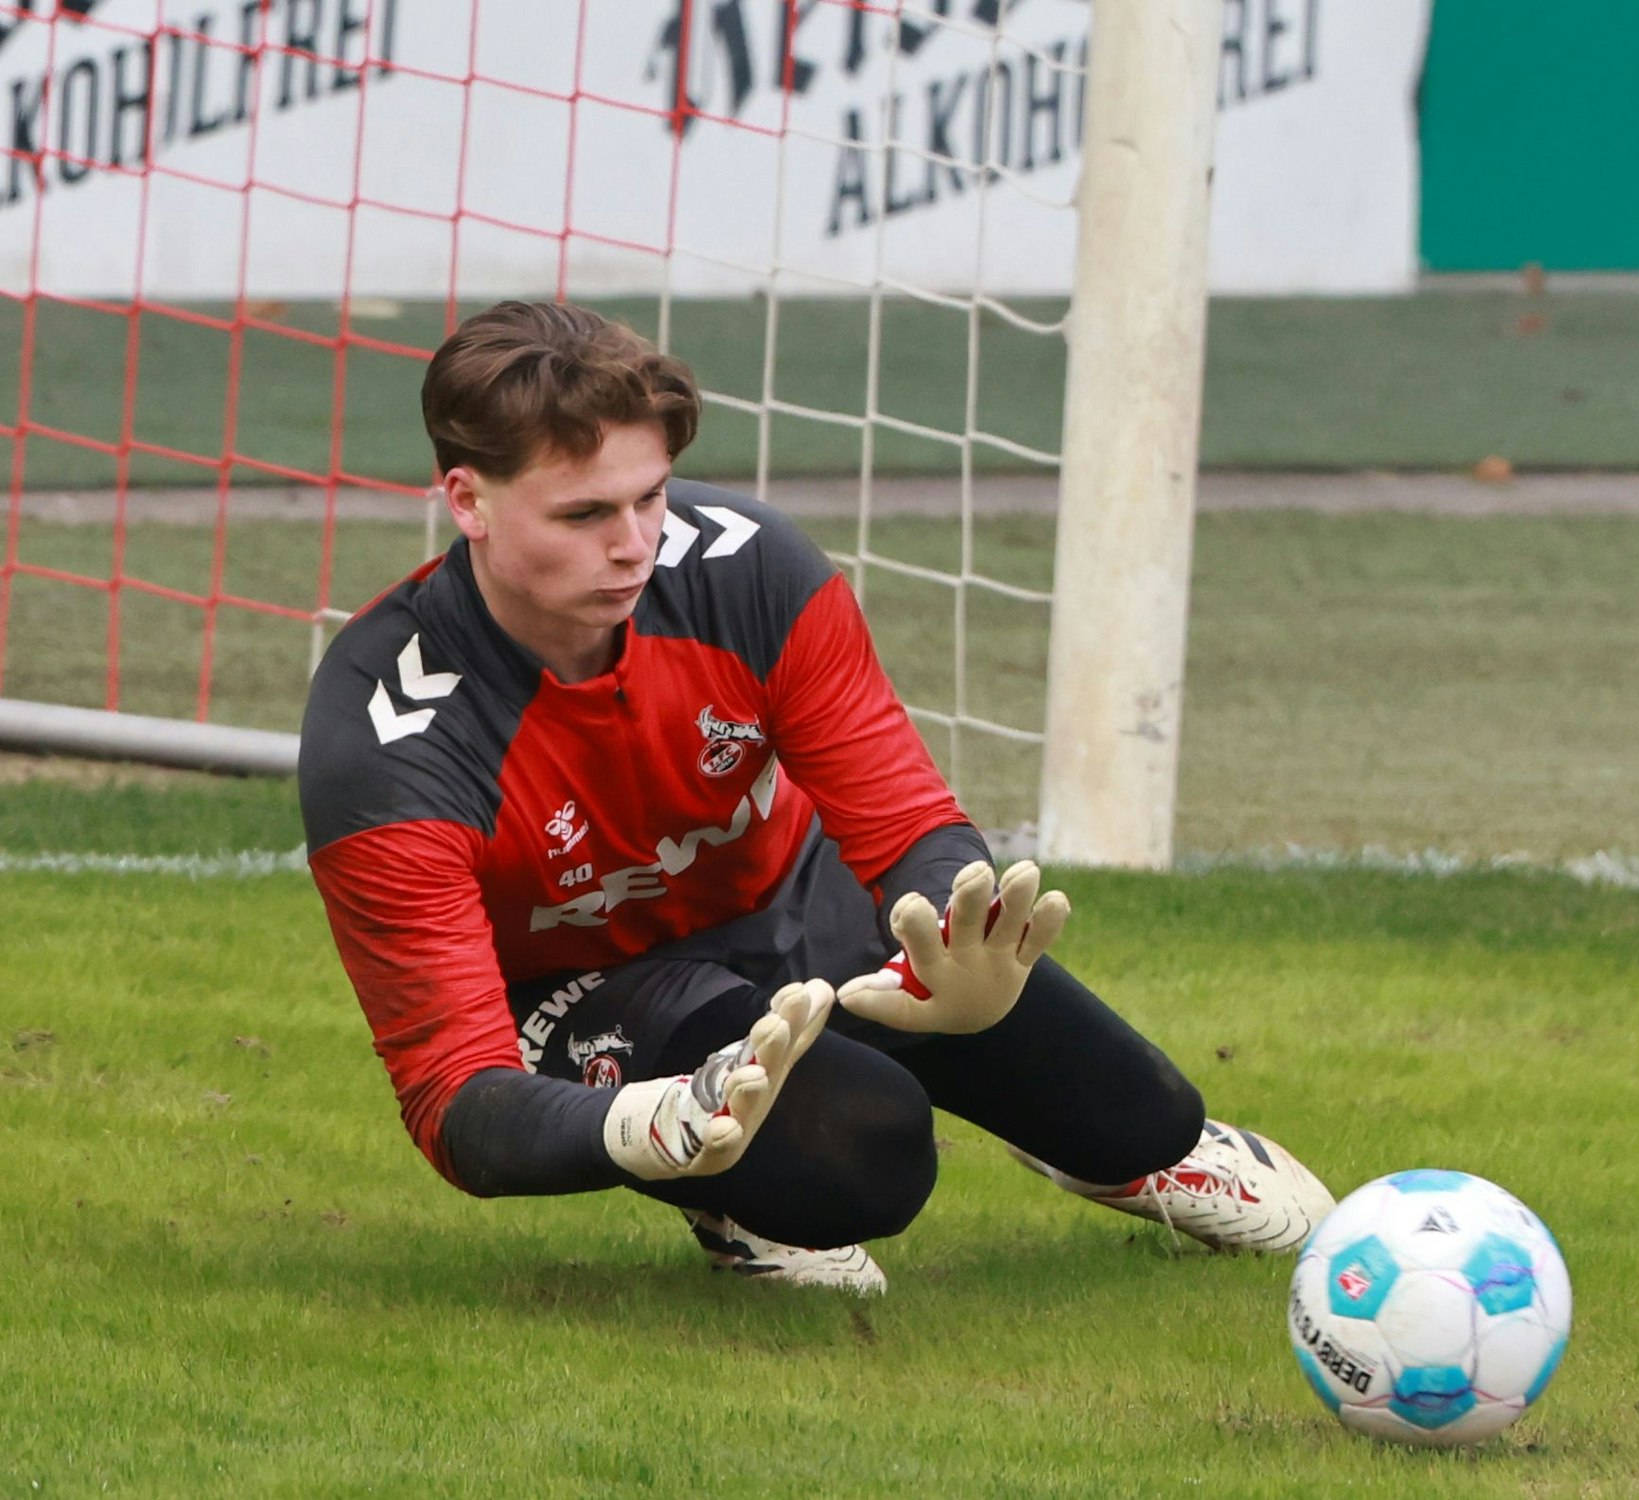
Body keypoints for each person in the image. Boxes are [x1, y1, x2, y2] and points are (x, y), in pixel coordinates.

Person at [298, 300, 1333, 1294]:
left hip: (787, 898)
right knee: (865, 1153)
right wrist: (639, 1126)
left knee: (1138, 1113)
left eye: (650, 495)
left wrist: (957, 936)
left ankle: (1127, 1152)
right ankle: (729, 1195)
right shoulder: (384, 744)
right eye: (583, 513)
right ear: (467, 499)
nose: (633, 543)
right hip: (591, 989)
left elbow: (899, 809)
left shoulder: (750, 570)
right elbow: (452, 1100)